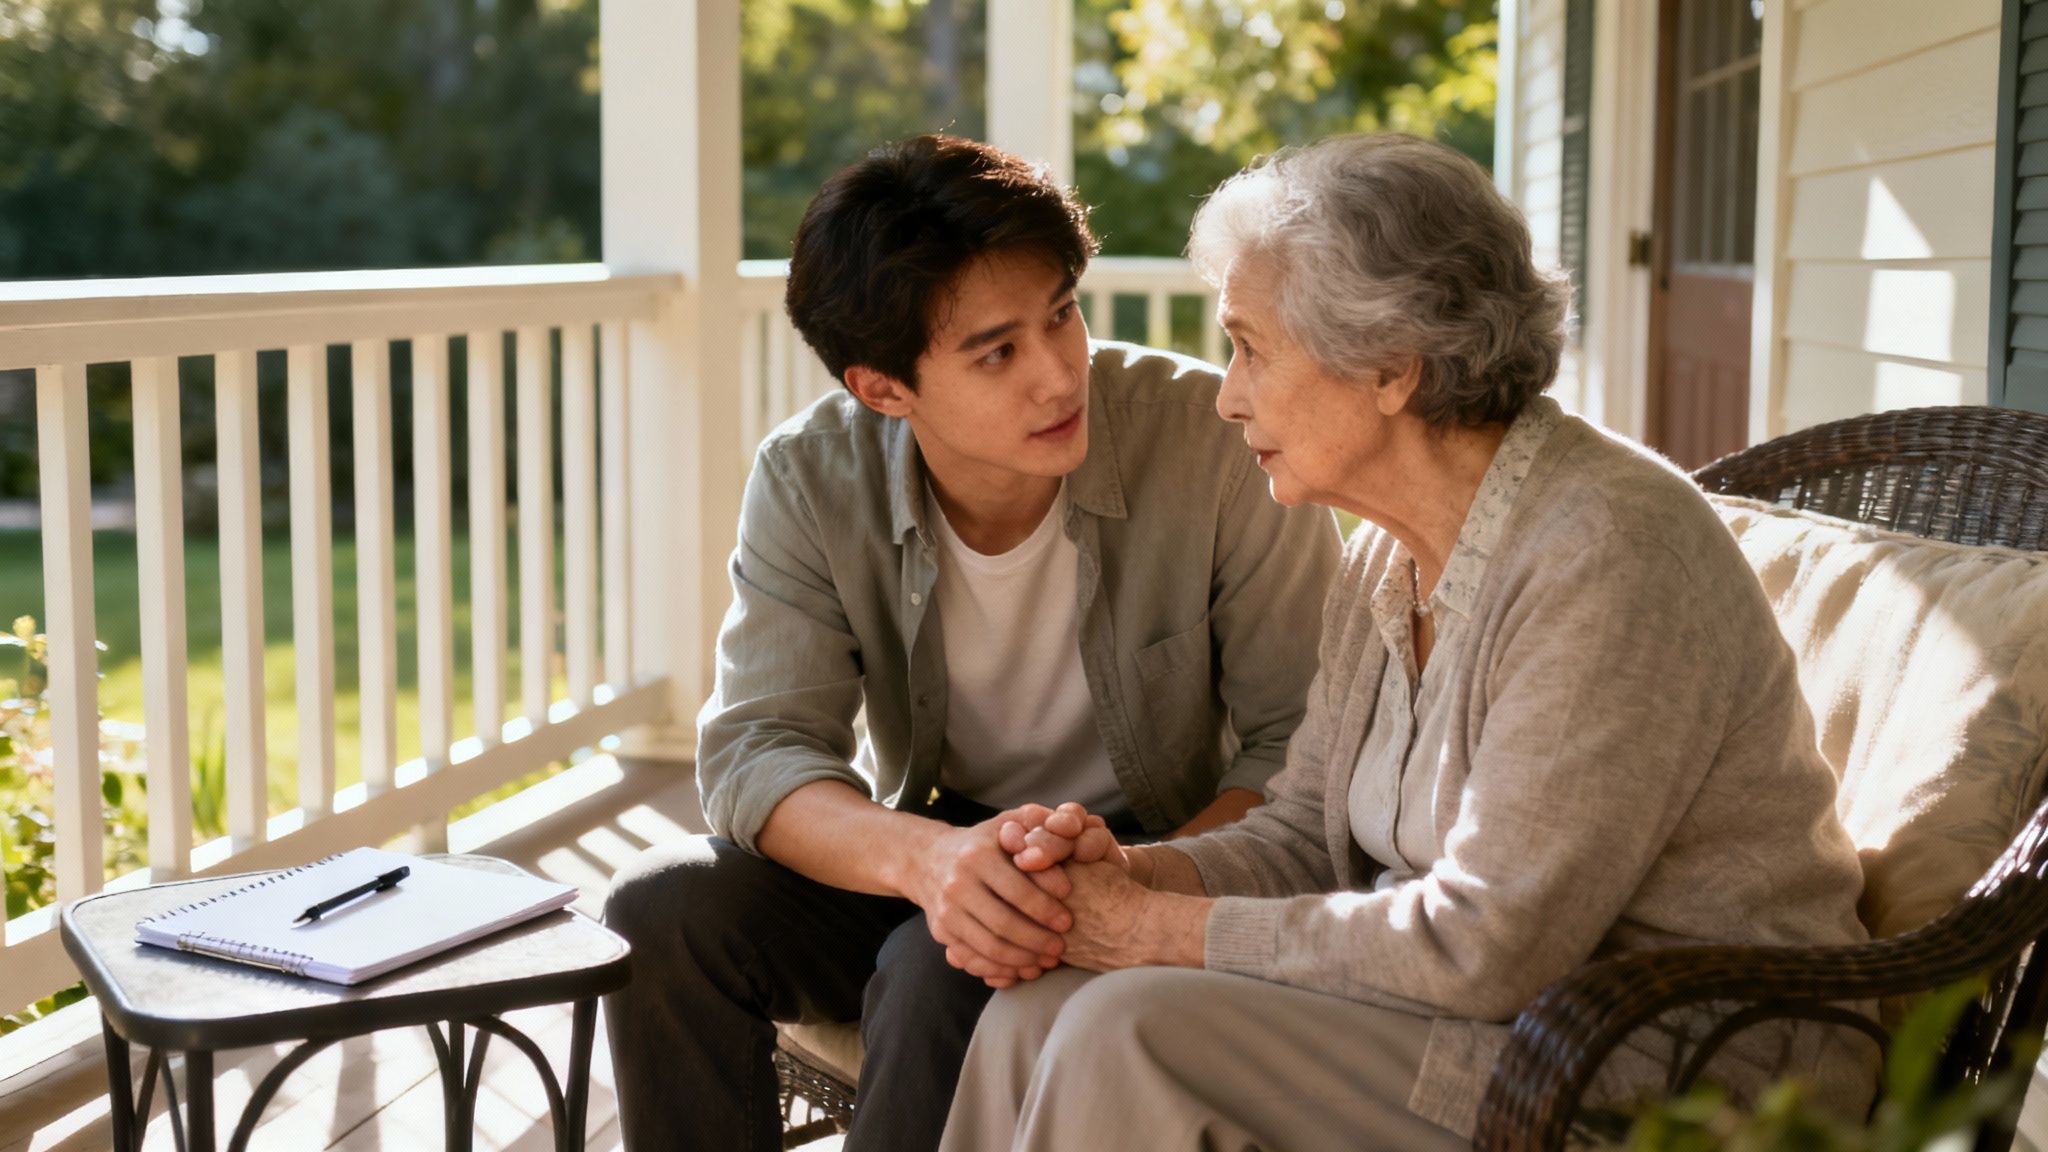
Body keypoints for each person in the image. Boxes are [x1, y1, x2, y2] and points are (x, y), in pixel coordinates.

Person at [939, 132, 1876, 1152]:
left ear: (1389, 367)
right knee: (1036, 1007)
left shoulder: (1606, 551)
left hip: (1667, 1061)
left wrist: (1149, 932)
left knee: (1128, 1029)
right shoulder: (1389, 554)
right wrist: (1130, 879)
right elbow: (1305, 839)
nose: (1226, 396)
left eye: (1250, 348)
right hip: (1476, 1019)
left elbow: (1488, 945)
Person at [599, 134, 1340, 1152]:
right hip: (939, 835)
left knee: (943, 962)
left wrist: (1125, 880)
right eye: (997, 352)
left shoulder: (1212, 445)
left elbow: (1299, 746)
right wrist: (931, 861)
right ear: (883, 389)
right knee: (661, 909)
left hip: (1168, 848)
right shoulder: (810, 479)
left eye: (1061, 314)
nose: (1058, 375)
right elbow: (757, 750)